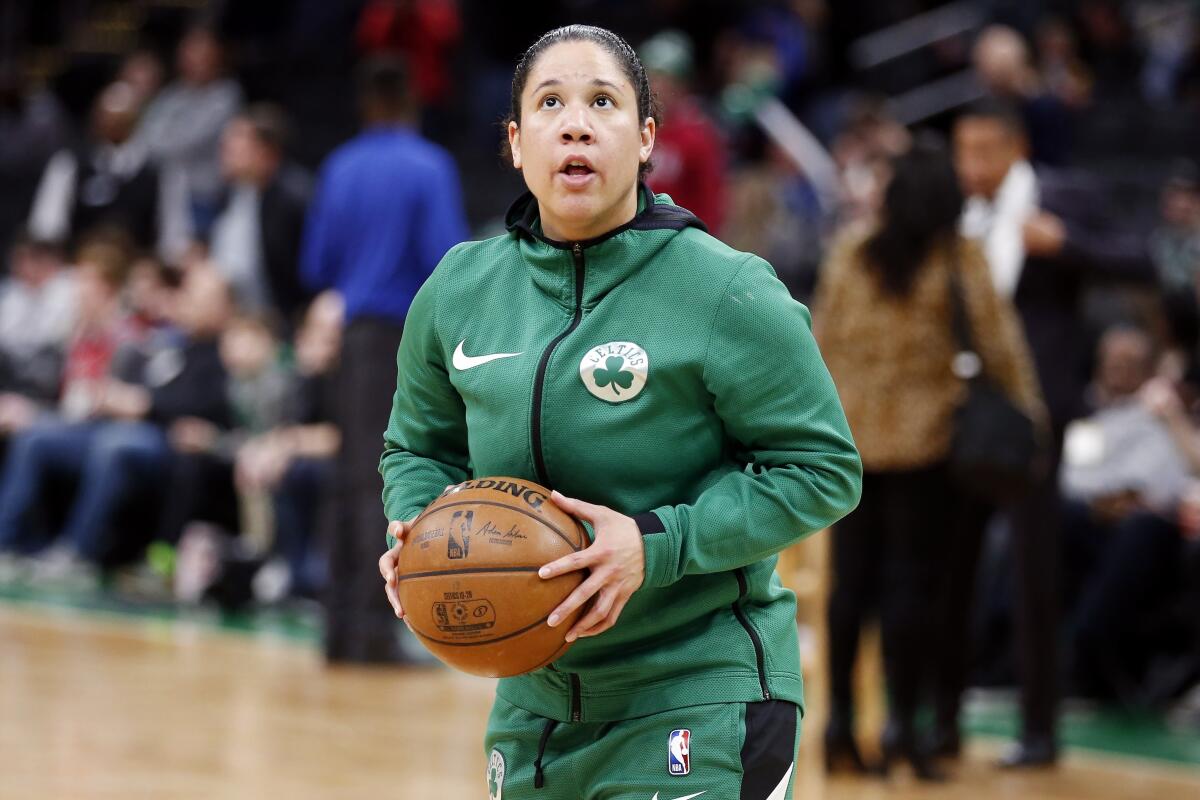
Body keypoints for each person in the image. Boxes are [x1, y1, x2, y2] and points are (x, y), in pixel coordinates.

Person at [376, 25, 861, 800]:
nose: (576, 122)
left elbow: (823, 470)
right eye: (550, 103)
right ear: (514, 141)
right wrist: (418, 529)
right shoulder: (457, 289)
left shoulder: (727, 290)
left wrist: (657, 545)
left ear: (644, 141)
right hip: (532, 704)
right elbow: (416, 447)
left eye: (603, 102)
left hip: (700, 693)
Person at [813, 141, 1044, 781]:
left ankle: (836, 727)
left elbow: (819, 343)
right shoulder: (957, 257)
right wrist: (1033, 420)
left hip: (850, 449)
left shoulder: (850, 252)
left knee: (847, 591)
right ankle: (903, 731)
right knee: (913, 592)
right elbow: (1002, 349)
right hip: (927, 449)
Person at [953, 99, 1155, 767]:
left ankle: (1040, 730)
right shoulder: (955, 214)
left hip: (1037, 415)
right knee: (949, 569)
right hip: (963, 407)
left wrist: (1064, 243)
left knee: (1037, 571)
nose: (971, 165)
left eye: (983, 151)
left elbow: (1139, 258)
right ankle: (942, 719)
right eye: (963, 151)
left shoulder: (1060, 196)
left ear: (1013, 149)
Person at [302, 56, 468, 664]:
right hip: (402, 336)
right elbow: (445, 260)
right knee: (387, 478)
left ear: (366, 104)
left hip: (350, 335)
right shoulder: (429, 166)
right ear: (411, 103)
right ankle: (376, 632)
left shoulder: (339, 166)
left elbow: (315, 264)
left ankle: (337, 629)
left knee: (347, 479)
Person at [207, 104, 312, 321]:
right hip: (246, 321)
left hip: (285, 321)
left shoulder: (294, 199)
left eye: (236, 144)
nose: (226, 150)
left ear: (266, 151)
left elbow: (303, 275)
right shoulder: (236, 193)